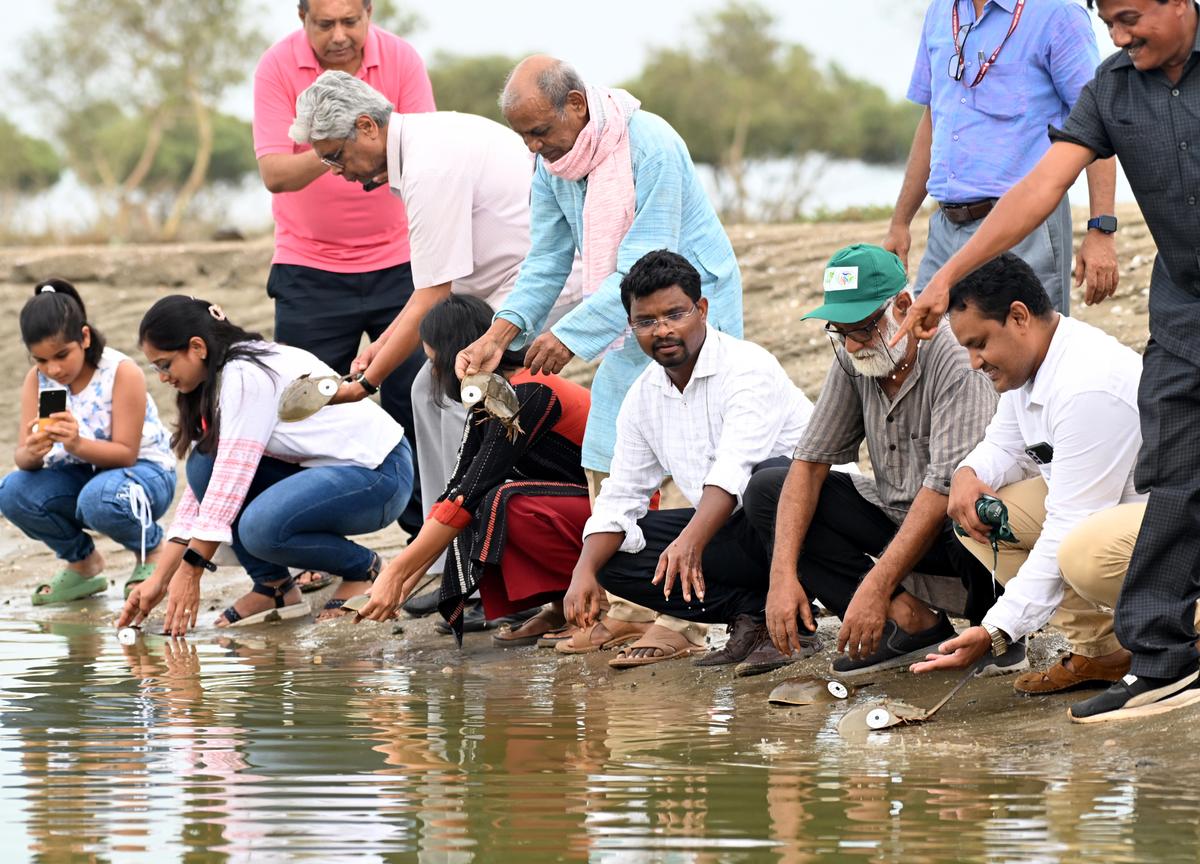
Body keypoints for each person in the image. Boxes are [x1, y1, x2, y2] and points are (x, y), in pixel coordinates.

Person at [897, 0, 1200, 722]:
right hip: (1185, 302)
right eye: (1109, 23)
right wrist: (946, 276)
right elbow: (1038, 188)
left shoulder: (1083, 376)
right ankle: (1163, 662)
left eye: (1131, 19)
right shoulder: (1113, 86)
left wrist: (1099, 231)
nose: (1119, 37)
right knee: (1174, 468)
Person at [455, 55, 745, 651]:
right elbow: (546, 261)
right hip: (626, 314)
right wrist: (499, 334)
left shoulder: (652, 145)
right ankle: (629, 603)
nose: (534, 148)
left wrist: (568, 336)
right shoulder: (553, 163)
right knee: (609, 441)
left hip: (689, 304)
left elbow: (646, 264)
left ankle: (686, 618)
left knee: (701, 446)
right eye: (524, 137)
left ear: (577, 106)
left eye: (540, 131)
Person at [286, 70, 581, 599]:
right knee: (428, 388)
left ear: (366, 127)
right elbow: (431, 288)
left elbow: (434, 294)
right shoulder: (423, 144)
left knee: (443, 390)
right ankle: (450, 552)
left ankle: (467, 558)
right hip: (496, 295)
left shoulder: (428, 164)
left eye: (335, 156)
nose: (335, 172)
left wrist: (367, 383)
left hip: (544, 292)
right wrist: (380, 348)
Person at [745, 244, 1004, 680]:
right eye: (840, 331)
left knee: (967, 514)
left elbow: (944, 490)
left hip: (959, 527)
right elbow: (808, 464)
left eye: (864, 329)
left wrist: (874, 585)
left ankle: (993, 630)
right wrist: (782, 576)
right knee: (767, 488)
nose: (852, 344)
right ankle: (910, 621)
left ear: (904, 306)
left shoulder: (955, 360)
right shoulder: (855, 355)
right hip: (897, 516)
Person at [560, 250, 812, 672]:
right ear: (631, 326)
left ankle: (797, 627)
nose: (662, 331)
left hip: (805, 526)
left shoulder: (748, 367)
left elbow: (735, 469)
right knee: (612, 555)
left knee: (767, 482)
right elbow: (620, 494)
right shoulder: (643, 396)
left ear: (702, 310)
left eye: (675, 314)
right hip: (733, 527)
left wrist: (690, 542)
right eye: (646, 321)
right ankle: (752, 615)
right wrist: (583, 571)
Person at [908, 253, 1140, 696]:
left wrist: (997, 629)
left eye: (979, 344)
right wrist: (967, 472)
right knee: (978, 515)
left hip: (1178, 521)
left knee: (1081, 552)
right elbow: (1004, 444)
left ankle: (1187, 632)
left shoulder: (1085, 384)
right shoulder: (1032, 366)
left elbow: (1066, 526)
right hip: (1120, 512)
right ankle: (1102, 652)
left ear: (1019, 317)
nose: (974, 362)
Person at [117, 296, 413, 637]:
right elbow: (208, 489)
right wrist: (160, 580)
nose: (162, 377)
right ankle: (274, 589)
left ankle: (364, 570)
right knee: (203, 464)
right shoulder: (222, 376)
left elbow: (231, 478)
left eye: (165, 364)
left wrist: (192, 569)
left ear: (197, 347)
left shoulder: (245, 374)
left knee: (260, 528)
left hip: (380, 476)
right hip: (328, 474)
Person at [252, 0, 435, 548]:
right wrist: (337, 143)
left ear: (369, 14)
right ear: (301, 18)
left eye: (350, 22)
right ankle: (317, 544)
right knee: (308, 408)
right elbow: (274, 172)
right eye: (324, 23)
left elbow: (422, 149)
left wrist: (348, 135)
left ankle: (426, 539)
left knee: (417, 401)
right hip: (308, 269)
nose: (338, 36)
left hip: (402, 261)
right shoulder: (277, 67)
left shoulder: (401, 59)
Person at [351, 295, 592, 644]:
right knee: (471, 501)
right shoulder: (492, 396)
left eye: (435, 361)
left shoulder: (527, 392)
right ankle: (556, 608)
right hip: (572, 508)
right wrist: (400, 582)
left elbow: (471, 493)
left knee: (497, 502)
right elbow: (456, 489)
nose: (434, 373)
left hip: (611, 517)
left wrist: (398, 573)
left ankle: (586, 610)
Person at [884, 0, 1120, 314]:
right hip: (945, 227)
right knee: (929, 345)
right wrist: (900, 223)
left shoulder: (1057, 14)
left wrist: (1101, 229)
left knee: (1023, 353)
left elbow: (1096, 122)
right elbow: (933, 118)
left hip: (1025, 230)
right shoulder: (941, 11)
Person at [0, 280, 176, 605]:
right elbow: (23, 459)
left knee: (98, 498)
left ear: (84, 337)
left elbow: (126, 454)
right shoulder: (37, 381)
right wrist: (32, 452)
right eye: (40, 360)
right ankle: (83, 564)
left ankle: (151, 550)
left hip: (143, 476)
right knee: (11, 491)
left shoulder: (121, 372)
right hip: (82, 480)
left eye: (61, 355)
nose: (53, 369)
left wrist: (76, 443)